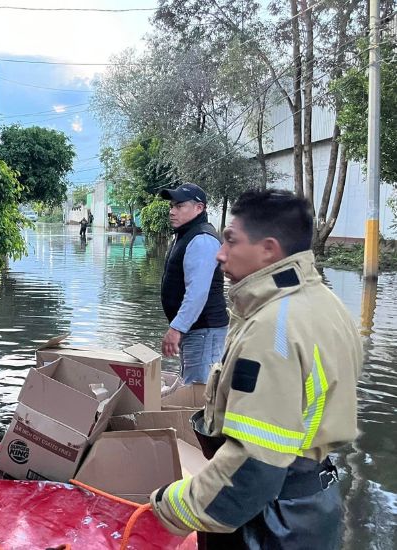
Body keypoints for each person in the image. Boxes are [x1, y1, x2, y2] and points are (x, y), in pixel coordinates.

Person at [150, 189, 363, 549]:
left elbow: (254, 465)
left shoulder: (272, 331)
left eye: (231, 240)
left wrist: (171, 504)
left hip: (268, 523)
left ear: (268, 248)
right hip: (311, 505)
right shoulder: (325, 303)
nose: (220, 253)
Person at [159, 183, 228, 383]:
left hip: (205, 331)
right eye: (172, 206)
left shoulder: (202, 239)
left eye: (179, 206)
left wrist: (176, 328)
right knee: (191, 387)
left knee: (198, 392)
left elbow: (197, 292)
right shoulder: (186, 235)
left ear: (199, 208)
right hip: (197, 330)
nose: (172, 211)